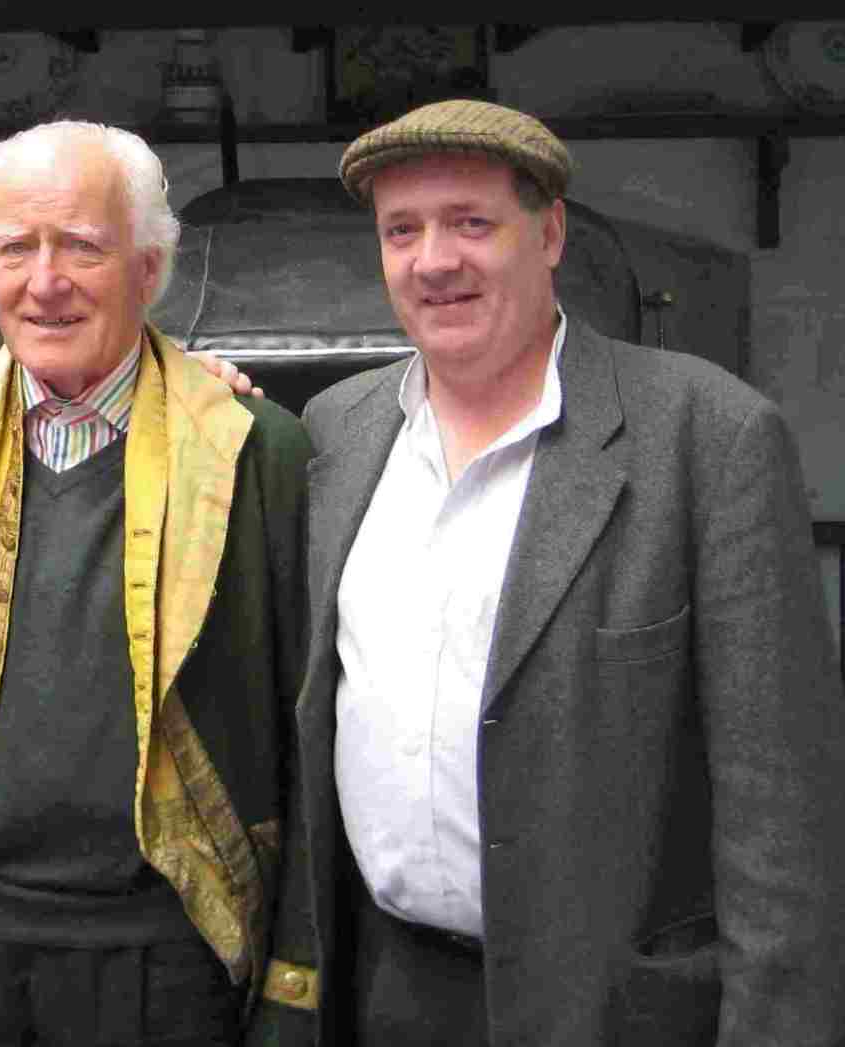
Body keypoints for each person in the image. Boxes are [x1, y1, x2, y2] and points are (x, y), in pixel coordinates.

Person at [246, 99, 845, 1046]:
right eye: (402, 231)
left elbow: (783, 816)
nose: (434, 260)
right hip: (383, 990)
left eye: (471, 223)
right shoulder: (337, 432)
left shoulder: (709, 438)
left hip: (610, 1008)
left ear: (551, 233)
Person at [0, 120, 312, 1047]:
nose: (44, 281)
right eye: (16, 247)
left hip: (174, 961)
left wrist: (296, 990)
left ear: (149, 268)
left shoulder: (256, 452)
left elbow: (307, 738)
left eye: (82, 246)